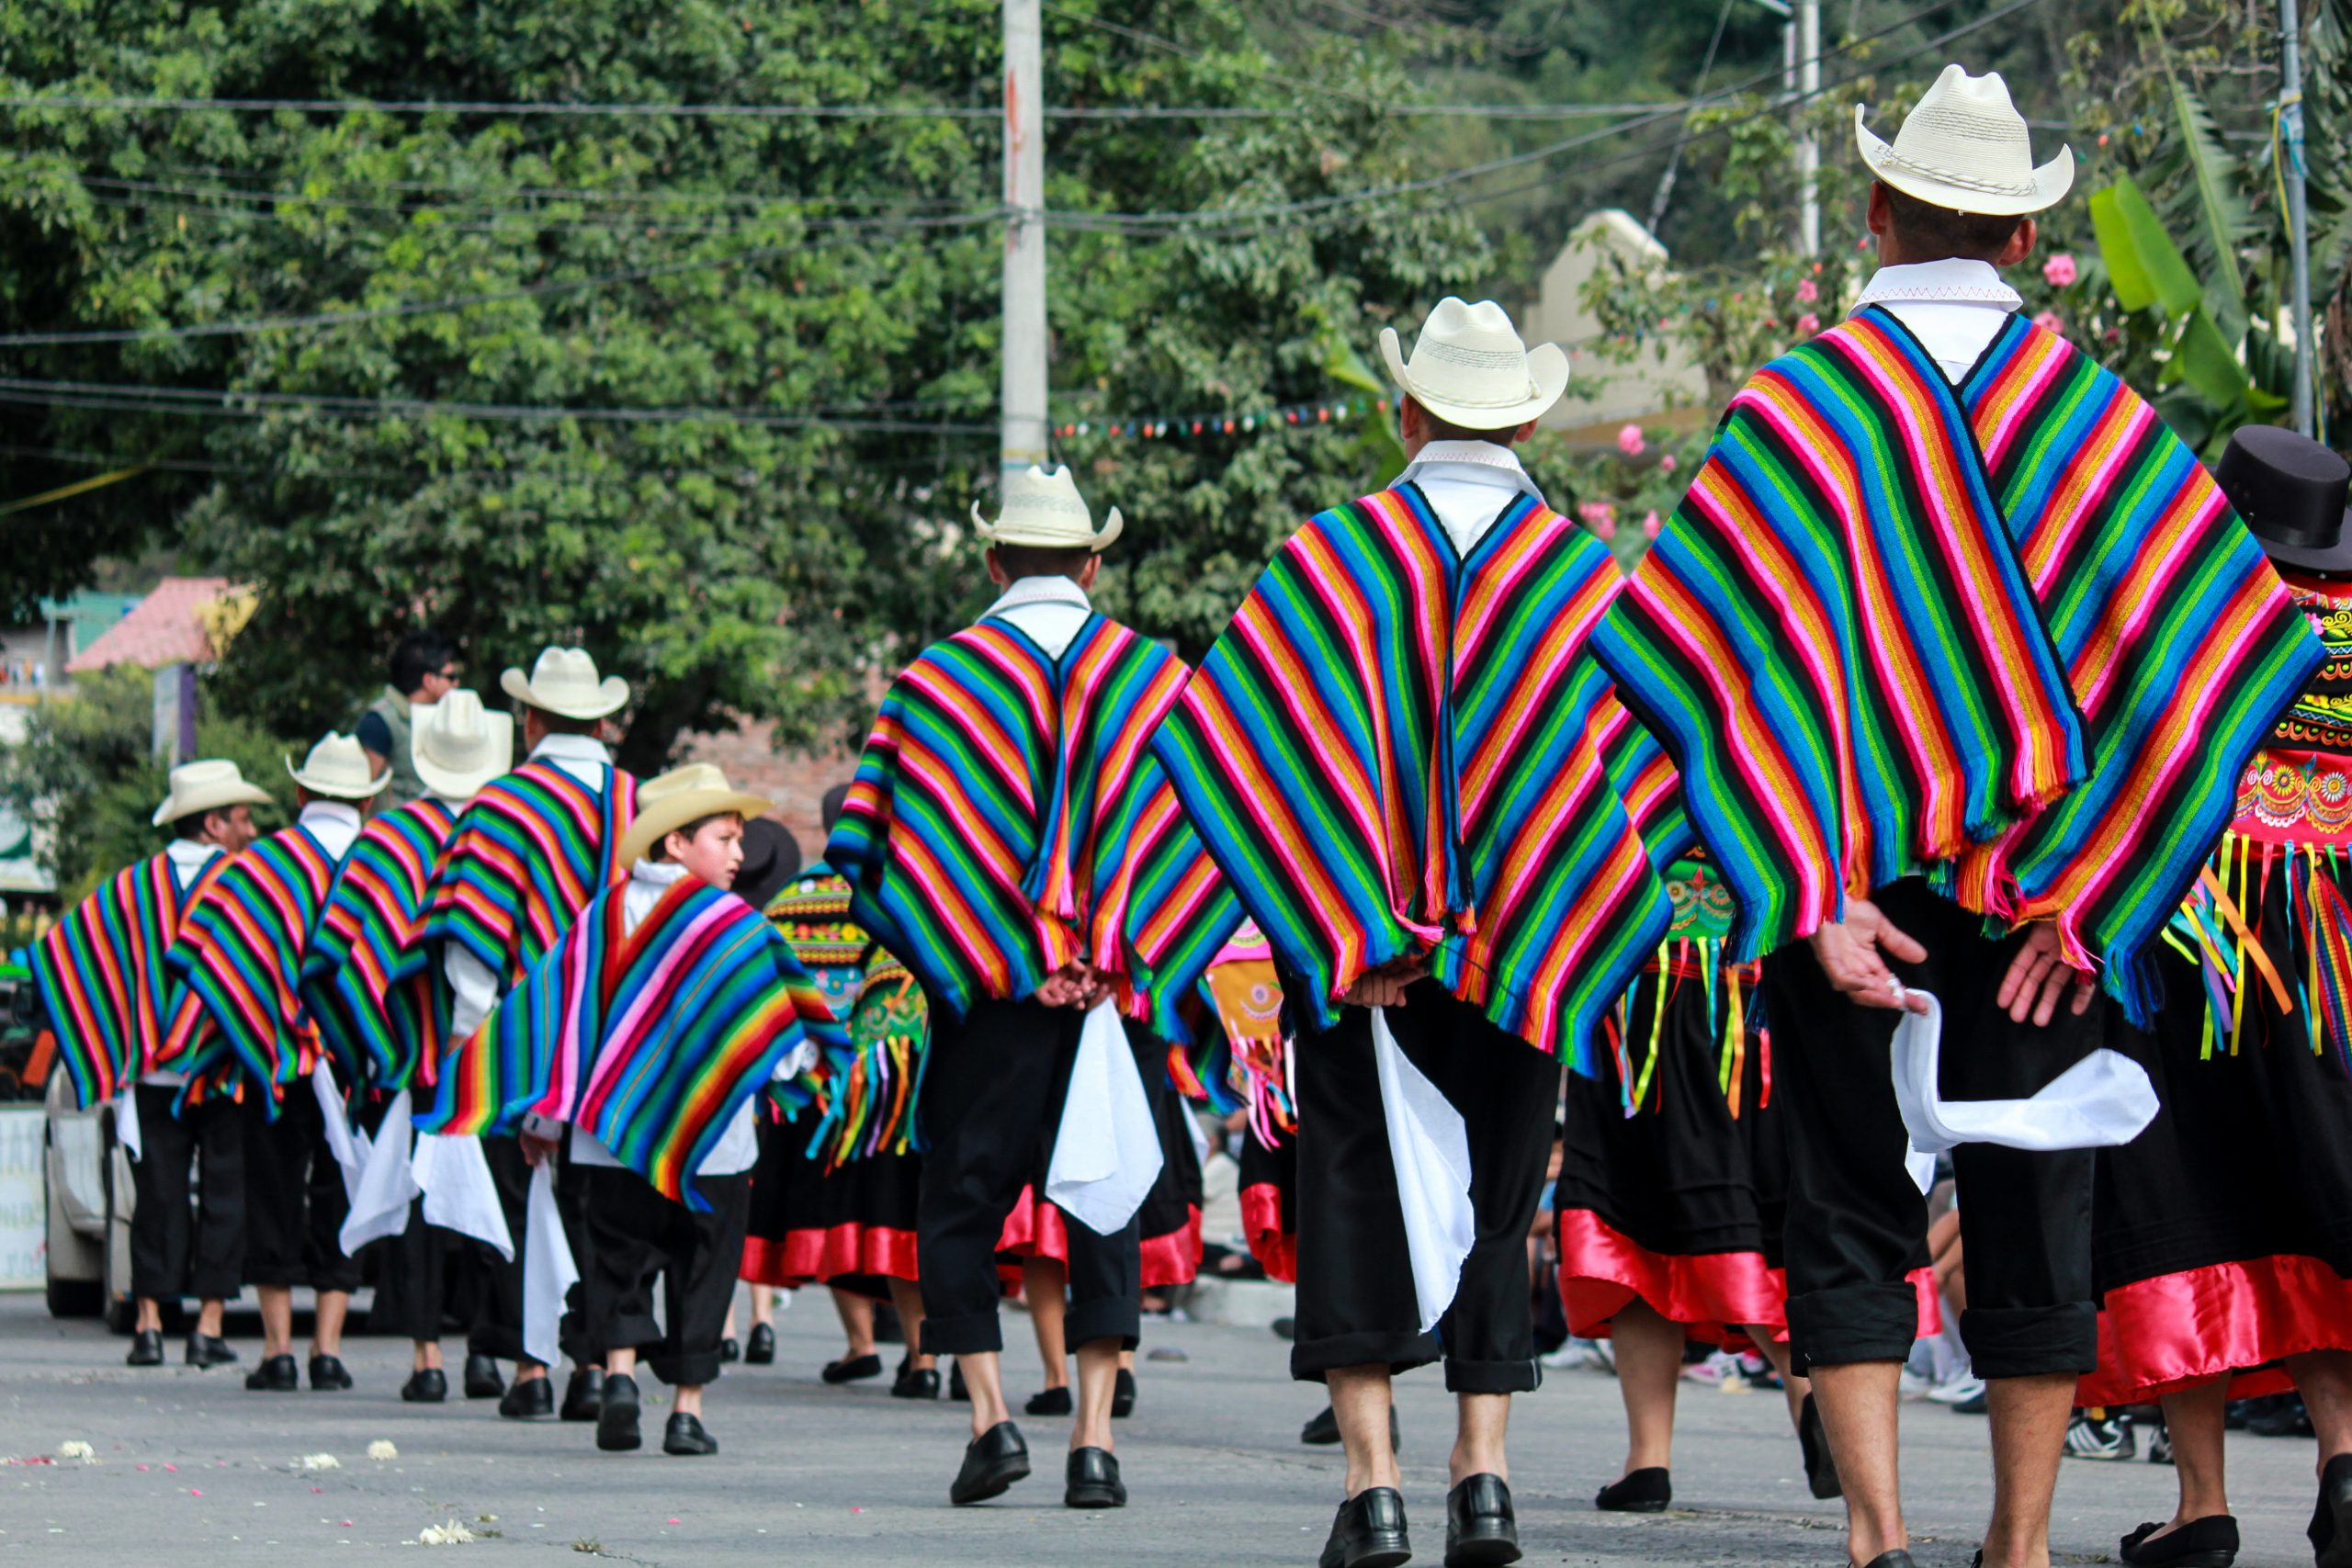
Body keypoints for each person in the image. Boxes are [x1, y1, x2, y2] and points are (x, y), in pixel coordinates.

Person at [1595, 67, 2322, 1568]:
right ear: (2016, 236)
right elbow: (2219, 638)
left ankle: (1877, 1541)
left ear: (1876, 211)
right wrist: (2100, 894)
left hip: (1849, 891)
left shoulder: (1801, 406)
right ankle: (2022, 1543)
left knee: (1849, 1203)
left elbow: (1696, 644)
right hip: (2034, 911)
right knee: (2039, 1196)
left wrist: (1804, 884)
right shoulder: (2089, 415)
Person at [1155, 296, 1673, 1568]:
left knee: (1349, 1191)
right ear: (1533, 419)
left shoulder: (1329, 561)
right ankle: (1481, 1472)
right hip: (1525, 948)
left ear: (1405, 410)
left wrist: (1344, 912)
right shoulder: (1583, 577)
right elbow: (1647, 761)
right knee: (1503, 1193)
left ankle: (1372, 1484)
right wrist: (1524, 907)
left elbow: (1233, 745)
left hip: (1357, 966)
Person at [830, 464, 1231, 1510]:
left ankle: (991, 1418)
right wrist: (1121, 953)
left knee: (956, 1209)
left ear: (994, 559)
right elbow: (1204, 839)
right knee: (1104, 1210)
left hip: (992, 1007)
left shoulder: (937, 684)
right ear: (1094, 563)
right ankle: (1094, 1441)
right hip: (1114, 1001)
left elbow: (875, 854)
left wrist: (1000, 957)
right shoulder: (1157, 680)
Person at [2077, 426, 2352, 1568]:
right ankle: (2344, 1468)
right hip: (2328, 947)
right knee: (2322, 1196)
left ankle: (2203, 1503)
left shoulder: (2179, 602)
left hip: (2181, 933)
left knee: (2173, 1197)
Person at [420, 764, 847, 1456]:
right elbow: (782, 1038)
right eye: (724, 837)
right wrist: (789, 1067)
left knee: (618, 1258)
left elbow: (559, 1020)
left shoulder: (601, 916)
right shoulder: (733, 925)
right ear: (675, 844)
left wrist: (540, 1118)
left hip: (611, 1136)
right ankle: (685, 1409)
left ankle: (618, 1377)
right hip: (715, 1143)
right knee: (703, 1267)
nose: (740, 853)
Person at [416, 645, 638, 1420]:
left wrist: (469, 1037)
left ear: (531, 718)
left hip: (525, 1033)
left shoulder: (501, 804)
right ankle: (593, 1363)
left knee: (518, 1200)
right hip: (616, 1033)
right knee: (600, 1200)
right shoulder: (636, 803)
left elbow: (473, 939)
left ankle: (528, 1367)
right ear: (602, 720)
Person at [300, 690, 514, 1403]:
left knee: (425, 1195)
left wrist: (373, 1040)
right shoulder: (511, 832)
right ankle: (492, 1349)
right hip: (499, 1053)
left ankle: (427, 1357)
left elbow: (337, 948)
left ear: (421, 757)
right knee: (497, 1192)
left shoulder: (389, 838)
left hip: (413, 1048)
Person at [158, 734, 389, 1393]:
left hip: (271, 1057)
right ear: (368, 798)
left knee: (272, 1194)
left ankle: (279, 1349)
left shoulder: (260, 865)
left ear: (300, 792)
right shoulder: (386, 863)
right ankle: (329, 1350)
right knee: (344, 1191)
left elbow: (212, 952)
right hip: (355, 1060)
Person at [27, 759, 270, 1368]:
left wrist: (112, 1037)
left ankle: (151, 1323)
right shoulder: (245, 882)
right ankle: (208, 1327)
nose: (251, 830)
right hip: (222, 1067)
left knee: (156, 1196)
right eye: (242, 818)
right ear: (213, 823)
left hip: (152, 1070)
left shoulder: (134, 886)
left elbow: (66, 949)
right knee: (224, 1194)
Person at [744, 797, 938, 1399]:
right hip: (896, 1083)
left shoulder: (786, 902)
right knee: (908, 1214)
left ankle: (859, 1343)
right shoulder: (894, 893)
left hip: (810, 1085)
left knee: (836, 1219)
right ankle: (924, 1351)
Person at [356, 629, 461, 806]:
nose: (456, 683)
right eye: (451, 677)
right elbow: (360, 791)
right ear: (429, 680)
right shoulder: (380, 722)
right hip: (392, 831)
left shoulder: (441, 719)